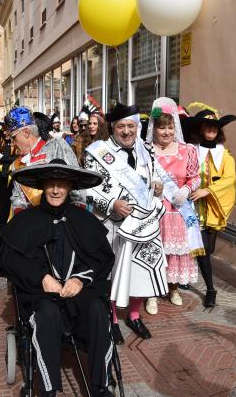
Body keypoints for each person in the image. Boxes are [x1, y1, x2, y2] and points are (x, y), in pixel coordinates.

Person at [0, 159, 115, 397]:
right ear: (42, 186)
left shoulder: (85, 220)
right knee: (46, 314)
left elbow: (102, 259)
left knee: (98, 311)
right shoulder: (24, 221)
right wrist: (41, 277)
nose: (56, 190)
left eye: (62, 184)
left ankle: (100, 386)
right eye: (50, 184)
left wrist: (80, 279)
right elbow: (8, 261)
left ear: (70, 187)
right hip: (42, 295)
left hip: (79, 293)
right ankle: (48, 388)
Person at [84, 103, 167, 343]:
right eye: (122, 126)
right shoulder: (96, 152)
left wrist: (159, 184)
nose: (127, 131)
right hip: (113, 225)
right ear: (112, 127)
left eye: (131, 126)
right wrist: (112, 205)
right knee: (113, 273)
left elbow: (156, 175)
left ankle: (133, 315)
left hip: (143, 223)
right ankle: (112, 319)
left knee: (140, 271)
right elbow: (84, 191)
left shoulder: (147, 151)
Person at [145, 98, 204, 313]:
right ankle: (151, 293)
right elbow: (139, 178)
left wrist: (187, 190)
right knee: (153, 251)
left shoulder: (187, 150)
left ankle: (174, 289)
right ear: (154, 129)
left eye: (170, 127)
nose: (167, 132)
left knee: (175, 254)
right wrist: (151, 187)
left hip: (178, 211)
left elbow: (195, 177)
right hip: (154, 211)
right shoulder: (146, 151)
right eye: (162, 127)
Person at [181, 102, 236, 308]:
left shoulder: (226, 155)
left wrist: (208, 190)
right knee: (203, 249)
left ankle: (189, 270)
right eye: (207, 126)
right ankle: (211, 289)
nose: (212, 129)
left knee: (208, 248)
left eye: (215, 126)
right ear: (200, 129)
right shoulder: (191, 151)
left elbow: (229, 179)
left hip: (213, 207)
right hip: (191, 208)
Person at [6, 107, 83, 216]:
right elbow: (17, 199)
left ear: (26, 132)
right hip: (35, 226)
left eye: (14, 137)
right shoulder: (18, 164)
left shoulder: (57, 145)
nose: (13, 143)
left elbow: (77, 185)